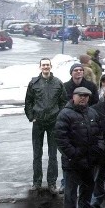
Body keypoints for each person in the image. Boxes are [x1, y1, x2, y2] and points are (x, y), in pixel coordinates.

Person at [55, 86, 105, 208]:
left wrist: (99, 148)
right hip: (73, 160)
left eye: (86, 96)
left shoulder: (92, 113)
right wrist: (74, 154)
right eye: (80, 95)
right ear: (74, 97)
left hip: (90, 159)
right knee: (70, 190)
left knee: (88, 187)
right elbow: (60, 138)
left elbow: (100, 134)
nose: (83, 98)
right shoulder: (65, 114)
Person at [25, 58, 66, 195]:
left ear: (51, 66)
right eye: (43, 65)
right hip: (38, 123)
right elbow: (28, 102)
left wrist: (59, 116)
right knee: (37, 154)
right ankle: (36, 182)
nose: (45, 67)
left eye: (47, 65)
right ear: (40, 67)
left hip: (53, 122)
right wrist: (32, 117)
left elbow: (63, 102)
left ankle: (52, 183)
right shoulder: (33, 83)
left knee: (53, 154)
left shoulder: (58, 83)